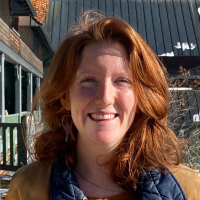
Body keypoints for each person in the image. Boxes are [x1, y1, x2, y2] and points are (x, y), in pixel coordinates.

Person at [6, 12, 200, 200]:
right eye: (88, 80)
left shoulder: (188, 189)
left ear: (142, 98)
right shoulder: (27, 188)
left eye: (122, 80)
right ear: (64, 96)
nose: (105, 98)